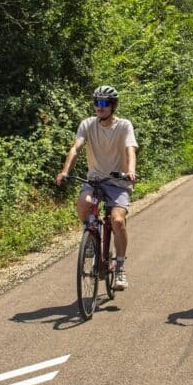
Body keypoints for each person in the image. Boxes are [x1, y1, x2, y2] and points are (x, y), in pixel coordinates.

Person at [56, 85, 138, 291]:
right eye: (96, 102)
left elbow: (130, 149)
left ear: (112, 106)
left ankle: (120, 267)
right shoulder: (87, 124)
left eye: (103, 103)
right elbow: (76, 147)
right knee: (83, 205)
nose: (99, 107)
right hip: (95, 180)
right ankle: (90, 235)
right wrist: (65, 171)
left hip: (118, 181)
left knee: (118, 221)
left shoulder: (124, 125)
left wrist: (130, 171)